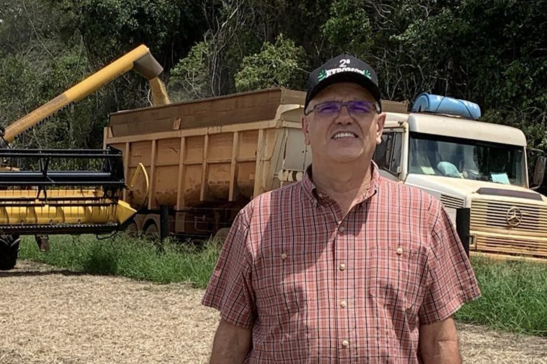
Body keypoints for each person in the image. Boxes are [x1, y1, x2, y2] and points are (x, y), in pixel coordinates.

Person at [202, 54, 480, 364]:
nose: (344, 117)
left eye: (360, 107)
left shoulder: (425, 216)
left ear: (379, 126)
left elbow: (440, 338)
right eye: (328, 108)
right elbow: (232, 337)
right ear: (306, 128)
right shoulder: (257, 220)